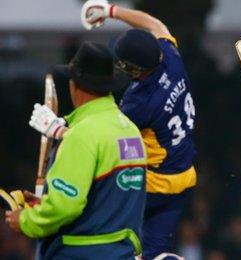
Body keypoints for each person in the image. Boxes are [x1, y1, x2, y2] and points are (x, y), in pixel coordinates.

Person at [6, 42, 147, 259]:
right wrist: (46, 204)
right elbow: (109, 199)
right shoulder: (131, 131)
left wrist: (26, 220)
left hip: (81, 253)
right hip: (122, 253)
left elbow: (66, 207)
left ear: (74, 85)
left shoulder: (81, 135)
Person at [80, 2, 198, 259]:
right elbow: (155, 25)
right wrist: (111, 11)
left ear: (135, 70)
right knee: (153, 254)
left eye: (122, 64)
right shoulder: (170, 58)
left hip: (152, 185)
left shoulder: (140, 103)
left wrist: (58, 129)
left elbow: (102, 134)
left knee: (94, 222)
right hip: (185, 179)